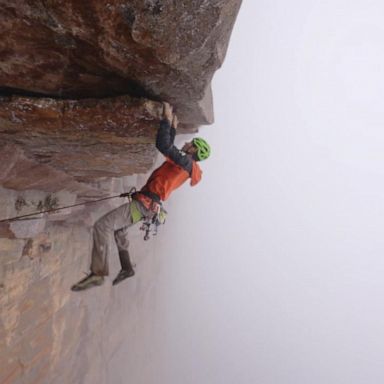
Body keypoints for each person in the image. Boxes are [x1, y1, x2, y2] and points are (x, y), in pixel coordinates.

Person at [71, 102, 211, 291]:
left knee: (102, 226)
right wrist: (172, 127)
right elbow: (170, 148)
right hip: (147, 205)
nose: (187, 143)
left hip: (144, 205)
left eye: (190, 144)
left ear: (194, 150)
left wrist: (166, 119)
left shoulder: (185, 162)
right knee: (119, 231)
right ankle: (127, 268)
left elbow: (163, 145)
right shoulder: (185, 165)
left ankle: (98, 273)